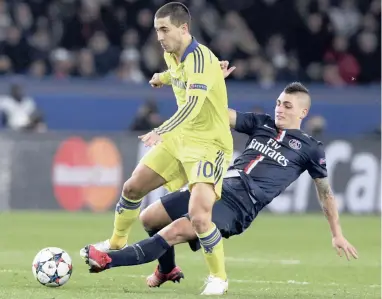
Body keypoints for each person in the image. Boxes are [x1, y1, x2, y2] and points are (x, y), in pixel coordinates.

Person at [83, 82, 358, 295]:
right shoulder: (261, 123)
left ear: (303, 112)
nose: (279, 109)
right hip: (217, 187)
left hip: (240, 205)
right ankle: (167, 270)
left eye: (287, 106)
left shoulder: (311, 148)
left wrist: (337, 234)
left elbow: (326, 193)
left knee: (177, 229)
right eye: (278, 103)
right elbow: (218, 114)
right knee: (149, 218)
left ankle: (109, 259)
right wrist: (212, 83)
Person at [81, 2, 235, 295]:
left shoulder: (200, 59)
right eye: (157, 31)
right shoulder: (171, 54)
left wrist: (160, 130)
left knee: (200, 216)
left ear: (184, 28)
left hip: (208, 146)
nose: (160, 36)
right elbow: (179, 77)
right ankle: (116, 242)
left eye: (165, 29)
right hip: (181, 141)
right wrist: (162, 78)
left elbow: (192, 105)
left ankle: (219, 278)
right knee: (133, 187)